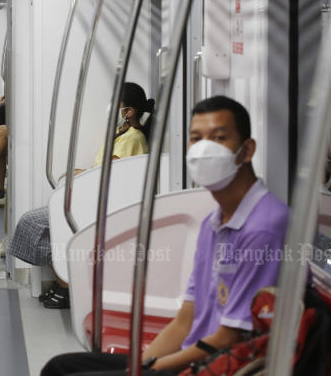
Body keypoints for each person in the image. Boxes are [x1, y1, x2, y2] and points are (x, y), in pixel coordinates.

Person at [41, 95, 288, 375]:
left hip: (220, 366)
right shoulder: (214, 223)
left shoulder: (263, 227)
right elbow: (186, 319)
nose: (205, 149)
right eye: (196, 138)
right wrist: (142, 367)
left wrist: (151, 369)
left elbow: (230, 338)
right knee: (60, 367)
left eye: (218, 138)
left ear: (246, 150)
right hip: (191, 357)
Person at [9, 83, 154, 306]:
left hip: (105, 205)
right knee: (42, 227)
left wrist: (81, 175)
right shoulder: (119, 135)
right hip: (93, 199)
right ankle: (65, 280)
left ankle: (66, 285)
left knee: (33, 222)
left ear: (129, 112)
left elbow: (111, 174)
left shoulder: (133, 139)